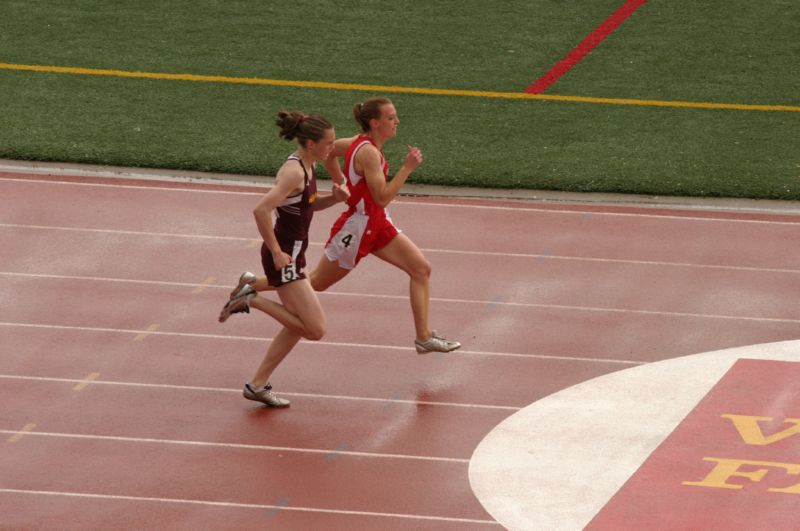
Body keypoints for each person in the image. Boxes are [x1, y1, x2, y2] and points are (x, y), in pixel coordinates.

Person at [226, 97, 460, 354]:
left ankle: (424, 337)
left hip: (378, 222)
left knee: (421, 269)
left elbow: (329, 153)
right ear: (375, 122)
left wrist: (341, 184)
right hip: (358, 229)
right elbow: (382, 197)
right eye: (391, 117)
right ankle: (252, 286)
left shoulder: (356, 143)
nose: (397, 121)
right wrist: (406, 168)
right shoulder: (368, 152)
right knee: (314, 283)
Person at [218, 111, 349, 407]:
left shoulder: (309, 166)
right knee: (315, 329)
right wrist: (277, 252)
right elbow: (261, 210)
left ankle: (258, 384)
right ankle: (251, 297)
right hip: (285, 257)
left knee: (296, 324)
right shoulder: (294, 172)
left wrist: (335, 199)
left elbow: (306, 208)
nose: (332, 148)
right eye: (328, 143)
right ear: (312, 143)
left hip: (294, 255)